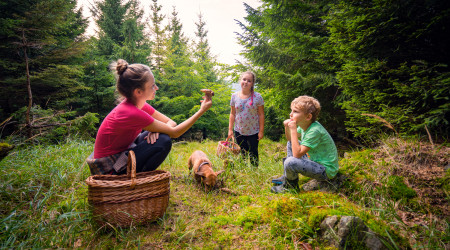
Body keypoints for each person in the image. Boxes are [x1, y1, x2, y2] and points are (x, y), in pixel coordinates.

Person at [87, 59, 212, 175]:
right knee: (163, 141)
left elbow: (170, 122)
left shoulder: (139, 104)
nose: (156, 88)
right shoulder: (130, 112)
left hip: (121, 154)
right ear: (138, 92)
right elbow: (175, 132)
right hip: (108, 169)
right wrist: (201, 110)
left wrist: (157, 130)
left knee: (159, 135)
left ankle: (138, 176)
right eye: (152, 86)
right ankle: (137, 179)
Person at [271, 95, 339, 193]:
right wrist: (287, 127)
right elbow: (290, 139)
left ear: (308, 117)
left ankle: (290, 187)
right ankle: (288, 176)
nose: (291, 114)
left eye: (295, 111)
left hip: (326, 170)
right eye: (291, 111)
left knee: (290, 162)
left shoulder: (315, 131)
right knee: (290, 144)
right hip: (315, 162)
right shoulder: (305, 125)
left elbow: (297, 154)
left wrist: (293, 129)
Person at [227, 71, 264, 167]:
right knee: (242, 152)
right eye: (244, 79)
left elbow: (261, 114)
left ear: (252, 83)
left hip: (253, 131)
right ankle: (242, 172)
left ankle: (254, 172)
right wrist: (230, 129)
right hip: (239, 130)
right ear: (240, 81)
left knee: (253, 153)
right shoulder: (234, 96)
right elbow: (232, 113)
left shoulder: (258, 97)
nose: (246, 82)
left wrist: (261, 131)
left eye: (249, 81)